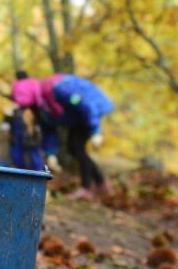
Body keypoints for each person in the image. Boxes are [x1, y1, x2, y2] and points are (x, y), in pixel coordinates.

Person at [11, 71, 113, 199]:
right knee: (74, 148)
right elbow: (48, 129)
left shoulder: (58, 88)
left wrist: (95, 131)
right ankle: (101, 184)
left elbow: (86, 105)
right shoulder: (38, 106)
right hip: (78, 116)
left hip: (92, 107)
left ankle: (88, 188)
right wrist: (50, 153)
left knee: (76, 147)